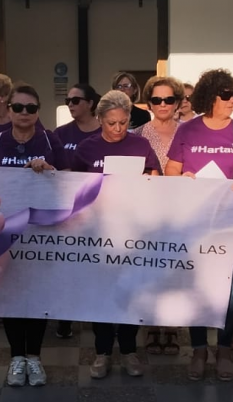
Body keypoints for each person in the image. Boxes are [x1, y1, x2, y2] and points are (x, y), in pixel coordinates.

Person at [165, 69, 233, 382]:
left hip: (231, 222)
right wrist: (182, 179)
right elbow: (171, 170)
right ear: (209, 97)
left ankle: (223, 349)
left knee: (230, 290)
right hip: (195, 222)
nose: (232, 100)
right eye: (225, 95)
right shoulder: (188, 130)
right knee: (196, 285)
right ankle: (198, 349)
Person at [0, 83, 66, 387]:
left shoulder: (50, 140)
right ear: (9, 109)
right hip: (4, 231)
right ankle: (16, 357)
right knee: (11, 292)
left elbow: (67, 185)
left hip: (40, 232)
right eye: (18, 107)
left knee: (37, 293)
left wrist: (51, 170)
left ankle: (35, 357)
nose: (24, 113)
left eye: (31, 108)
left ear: (38, 111)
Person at [73, 90, 161, 378]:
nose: (118, 129)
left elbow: (157, 179)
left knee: (130, 291)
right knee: (102, 294)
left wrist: (152, 180)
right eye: (112, 123)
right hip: (98, 232)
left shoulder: (141, 144)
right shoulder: (87, 148)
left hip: (133, 231)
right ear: (100, 120)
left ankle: (128, 350)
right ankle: (102, 352)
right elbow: (70, 185)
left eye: (123, 122)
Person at [134, 75, 186, 355]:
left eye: (169, 99)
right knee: (150, 270)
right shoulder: (137, 134)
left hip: (181, 211)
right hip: (149, 211)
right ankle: (152, 326)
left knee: (176, 270)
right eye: (156, 99)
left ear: (178, 102)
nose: (163, 104)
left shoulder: (190, 132)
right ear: (149, 103)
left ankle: (172, 328)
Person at [51, 82, 100, 340]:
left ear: (91, 104)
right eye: (68, 100)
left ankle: (96, 313)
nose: (70, 105)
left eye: (76, 100)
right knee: (67, 265)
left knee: (95, 266)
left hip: (100, 210)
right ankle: (65, 316)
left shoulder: (105, 132)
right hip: (68, 210)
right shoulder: (60, 133)